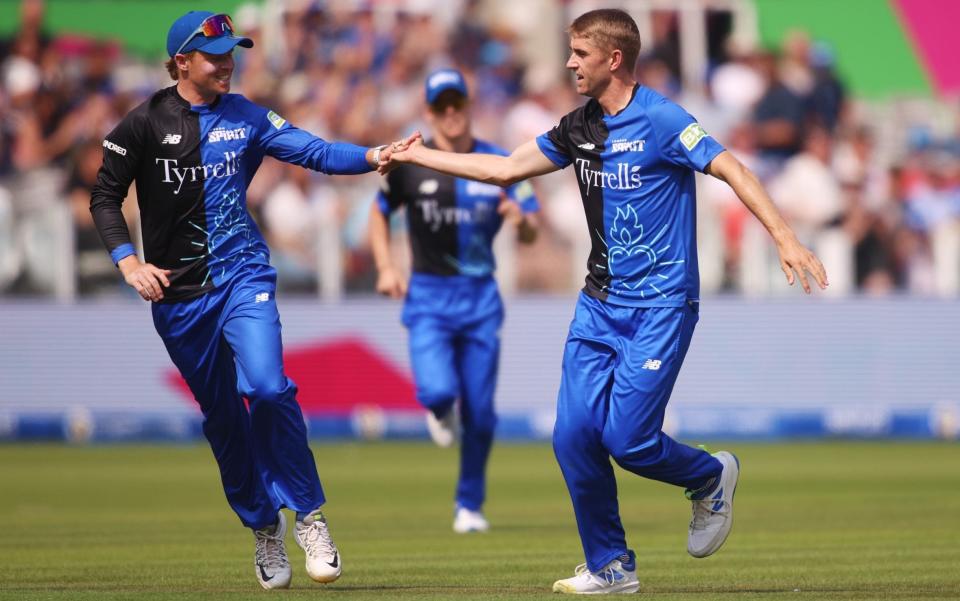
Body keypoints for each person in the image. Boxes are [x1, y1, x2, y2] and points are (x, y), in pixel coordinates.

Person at [382, 8, 828, 595]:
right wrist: (418, 156)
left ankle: (710, 476)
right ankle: (611, 565)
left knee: (628, 441)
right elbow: (506, 169)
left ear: (612, 59)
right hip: (598, 305)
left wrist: (785, 236)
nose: (568, 63)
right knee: (571, 438)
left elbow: (731, 167)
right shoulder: (579, 126)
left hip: (661, 305)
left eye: (579, 54)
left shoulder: (665, 119)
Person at [90, 11, 411, 590]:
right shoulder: (142, 124)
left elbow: (313, 151)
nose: (227, 63)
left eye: (231, 53)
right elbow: (106, 197)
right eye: (214, 55)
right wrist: (129, 263)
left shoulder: (249, 115)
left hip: (244, 277)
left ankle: (309, 515)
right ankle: (264, 527)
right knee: (223, 421)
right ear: (181, 62)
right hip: (179, 298)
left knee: (266, 387)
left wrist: (372, 155)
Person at [368, 68, 539, 533]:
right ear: (429, 112)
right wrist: (386, 266)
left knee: (481, 413)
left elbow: (531, 229)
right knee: (439, 391)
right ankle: (440, 408)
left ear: (468, 106)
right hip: (428, 295)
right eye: (440, 106)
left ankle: (469, 504)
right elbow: (378, 214)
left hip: (481, 298)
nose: (450, 114)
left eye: (456, 104)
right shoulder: (413, 163)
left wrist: (518, 219)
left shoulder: (501, 162)